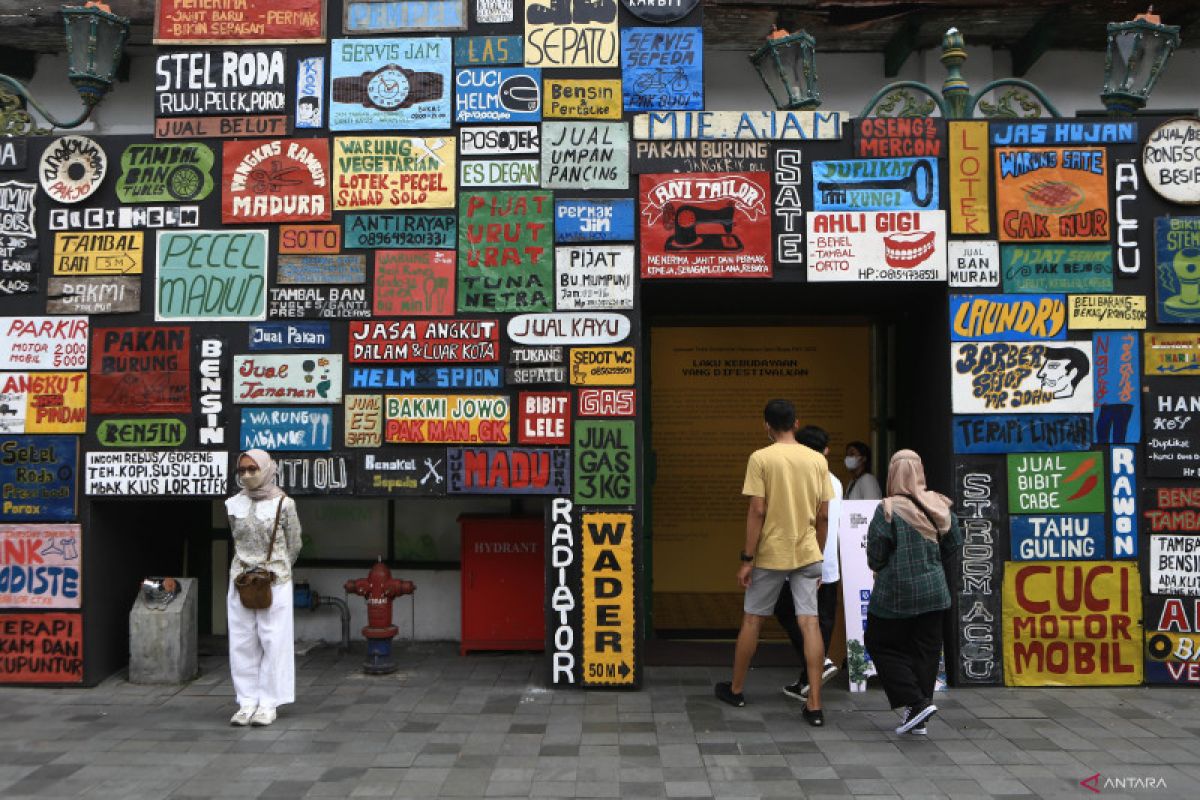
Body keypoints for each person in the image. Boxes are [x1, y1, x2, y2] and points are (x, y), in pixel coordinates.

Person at [715, 400, 834, 727]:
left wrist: (747, 559)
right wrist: (819, 555)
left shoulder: (761, 458)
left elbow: (757, 510)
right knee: (809, 622)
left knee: (753, 619)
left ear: (765, 425)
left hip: (770, 553)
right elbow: (824, 514)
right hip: (808, 551)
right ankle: (815, 704)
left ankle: (736, 689)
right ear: (797, 423)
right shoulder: (817, 460)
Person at [863, 449, 961, 736]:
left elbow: (876, 555)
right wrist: (930, 562)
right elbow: (955, 542)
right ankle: (918, 715)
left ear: (894, 474)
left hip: (896, 593)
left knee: (879, 642)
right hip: (935, 593)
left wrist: (890, 564)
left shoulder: (888, 510)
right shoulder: (939, 504)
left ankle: (916, 704)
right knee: (926, 651)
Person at [226, 449, 303, 727]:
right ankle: (246, 701)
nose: (247, 475)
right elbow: (237, 540)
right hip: (241, 580)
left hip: (275, 581)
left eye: (253, 469)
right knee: (242, 642)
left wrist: (278, 568)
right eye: (242, 470)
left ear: (267, 469)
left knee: (274, 641)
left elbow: (294, 544)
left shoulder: (284, 504)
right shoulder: (233, 504)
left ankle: (269, 703)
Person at [775, 425, 843, 703]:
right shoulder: (835, 480)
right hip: (828, 563)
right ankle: (807, 680)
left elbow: (819, 520)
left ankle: (819, 664)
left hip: (806, 561)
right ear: (826, 450)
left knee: (787, 611)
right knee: (822, 621)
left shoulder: (803, 478)